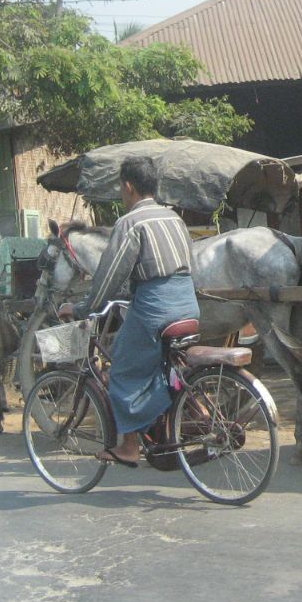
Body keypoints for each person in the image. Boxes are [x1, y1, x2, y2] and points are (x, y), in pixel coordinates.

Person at [58, 156, 197, 467]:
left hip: (155, 308)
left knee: (121, 364)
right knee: (156, 364)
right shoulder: (175, 219)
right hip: (187, 303)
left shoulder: (130, 223)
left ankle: (129, 445)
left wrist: (83, 308)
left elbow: (109, 275)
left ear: (128, 186)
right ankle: (161, 420)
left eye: (121, 188)